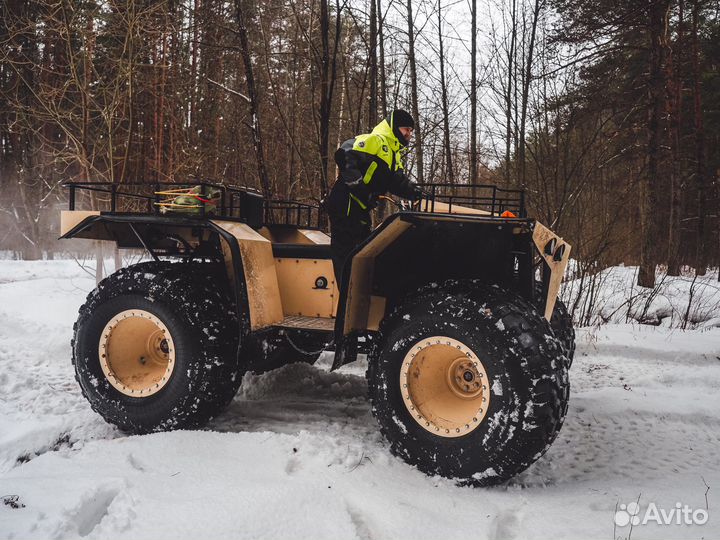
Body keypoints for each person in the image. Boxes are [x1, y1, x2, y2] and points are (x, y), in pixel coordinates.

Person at [326, 109, 421, 284]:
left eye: (411, 131)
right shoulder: (376, 140)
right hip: (346, 203)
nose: (409, 134)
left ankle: (356, 298)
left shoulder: (394, 154)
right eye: (406, 129)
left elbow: (398, 182)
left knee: (362, 254)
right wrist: (359, 187)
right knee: (346, 254)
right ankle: (347, 303)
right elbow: (344, 152)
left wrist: (417, 193)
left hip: (361, 208)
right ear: (394, 127)